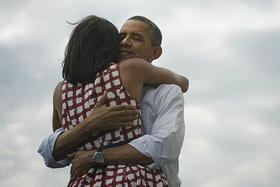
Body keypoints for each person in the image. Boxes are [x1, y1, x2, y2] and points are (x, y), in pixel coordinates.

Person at [38, 15, 187, 187]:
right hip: (132, 179)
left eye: (136, 38)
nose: (125, 42)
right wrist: (90, 124)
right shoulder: (129, 72)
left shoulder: (62, 91)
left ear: (156, 52)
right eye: (121, 37)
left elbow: (163, 148)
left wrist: (95, 155)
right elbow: (55, 150)